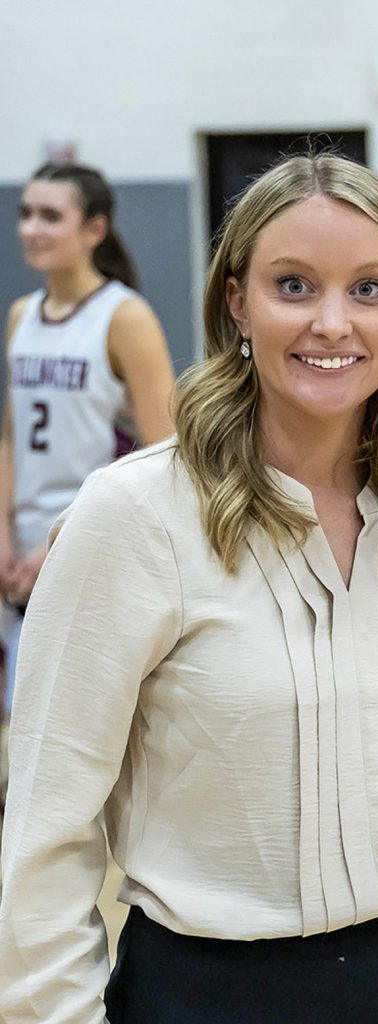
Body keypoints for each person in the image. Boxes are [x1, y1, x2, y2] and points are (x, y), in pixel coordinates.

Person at [0, 153, 378, 1023]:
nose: (334, 322)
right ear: (236, 301)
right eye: (294, 285)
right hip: (207, 994)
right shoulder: (135, 514)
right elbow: (44, 827)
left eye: (369, 289)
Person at [0, 162, 175, 721]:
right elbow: (10, 434)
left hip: (89, 539)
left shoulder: (124, 317)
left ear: (94, 229)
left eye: (51, 216)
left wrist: (56, 546)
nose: (32, 228)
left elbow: (164, 453)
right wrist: (3, 536)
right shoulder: (22, 314)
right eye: (25, 213)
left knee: (68, 725)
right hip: (19, 550)